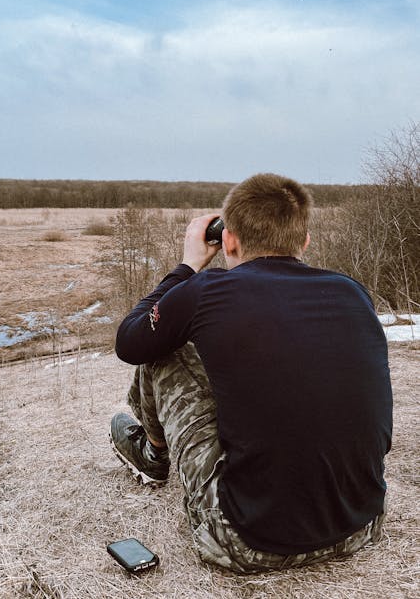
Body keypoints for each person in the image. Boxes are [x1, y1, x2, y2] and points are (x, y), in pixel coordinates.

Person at [110, 173, 392, 572]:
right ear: (305, 242)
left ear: (229, 239)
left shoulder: (207, 289)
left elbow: (130, 342)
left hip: (245, 541)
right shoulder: (352, 292)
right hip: (361, 525)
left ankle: (153, 455)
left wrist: (188, 265)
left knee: (163, 351)